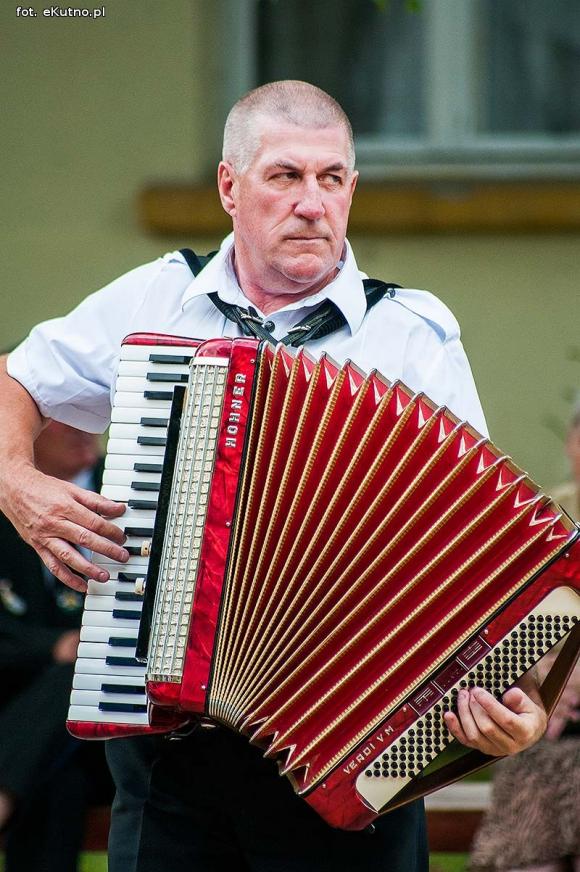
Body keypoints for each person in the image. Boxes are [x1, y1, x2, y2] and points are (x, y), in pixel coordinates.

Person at [0, 81, 549, 872]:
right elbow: (15, 381)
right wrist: (19, 484)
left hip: (354, 762)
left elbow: (473, 557)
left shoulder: (412, 338)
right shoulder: (157, 299)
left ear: (352, 190)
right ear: (230, 186)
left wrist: (511, 707)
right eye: (285, 176)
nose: (312, 203)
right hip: (168, 756)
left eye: (332, 179)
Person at [468, 407, 580, 872]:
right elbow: (515, 620)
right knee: (536, 762)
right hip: (556, 720)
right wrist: (550, 684)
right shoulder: (549, 515)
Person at [0, 420, 113, 872]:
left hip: (115, 724)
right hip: (29, 717)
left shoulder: (132, 491)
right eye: (66, 415)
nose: (89, 426)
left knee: (95, 657)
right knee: (57, 780)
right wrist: (54, 646)